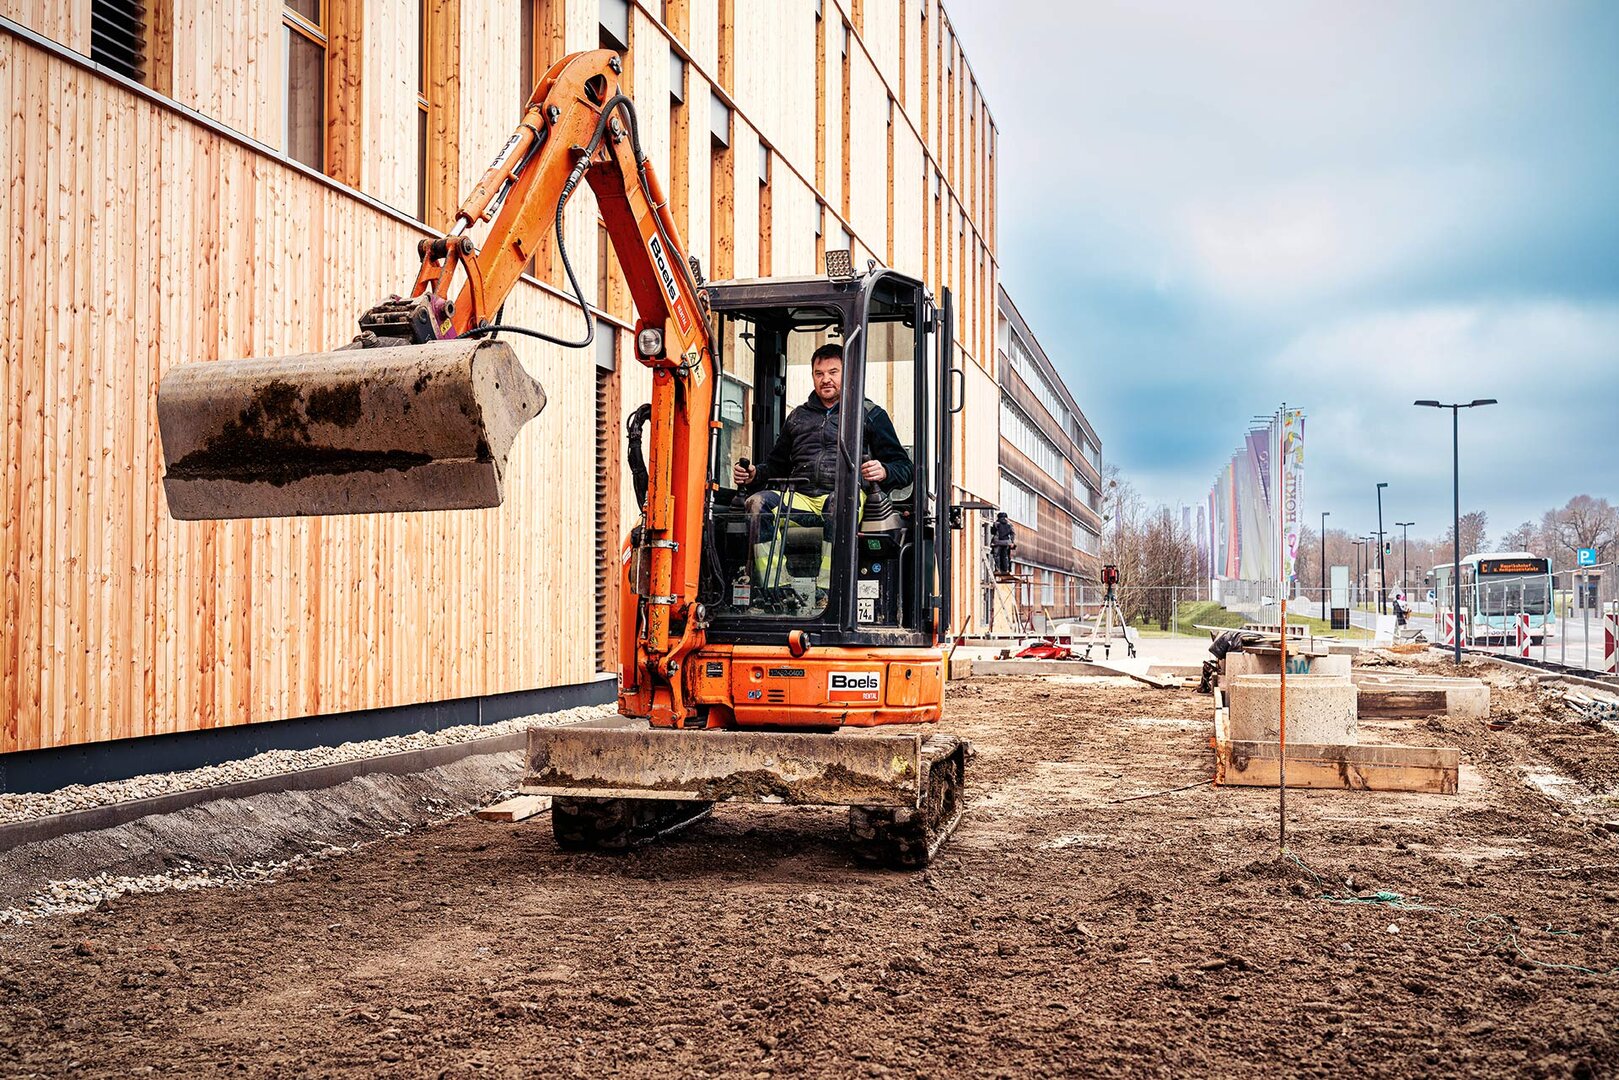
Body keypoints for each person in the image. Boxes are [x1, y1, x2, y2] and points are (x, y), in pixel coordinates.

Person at [732, 343, 912, 601]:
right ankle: (777, 591)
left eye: (833, 372)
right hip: (801, 498)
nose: (825, 379)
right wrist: (753, 475)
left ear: (848, 373)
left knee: (840, 502)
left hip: (845, 495)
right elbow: (775, 466)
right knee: (758, 503)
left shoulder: (870, 414)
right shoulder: (798, 417)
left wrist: (884, 470)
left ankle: (828, 593)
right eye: (819, 373)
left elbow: (904, 468)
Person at [990, 512, 1016, 576]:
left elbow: (992, 532)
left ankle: (998, 569)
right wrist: (1012, 541)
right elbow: (1013, 533)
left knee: (996, 556)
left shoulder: (996, 523)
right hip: (1006, 542)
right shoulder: (1010, 524)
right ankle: (1006, 569)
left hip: (997, 542)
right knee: (1005, 556)